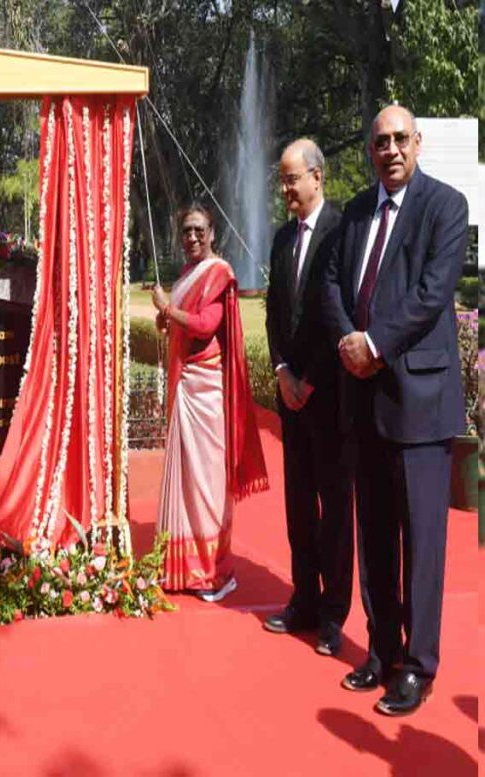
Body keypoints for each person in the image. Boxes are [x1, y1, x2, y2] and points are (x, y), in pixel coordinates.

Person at [323, 105, 468, 716]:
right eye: (379, 141)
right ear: (369, 149)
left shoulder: (445, 206)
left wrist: (375, 344)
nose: (390, 150)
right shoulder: (356, 212)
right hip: (365, 400)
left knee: (422, 544)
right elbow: (330, 281)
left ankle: (419, 666)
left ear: (418, 142)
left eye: (399, 139)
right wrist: (347, 343)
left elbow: (433, 293)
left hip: (421, 404)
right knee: (375, 535)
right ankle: (382, 651)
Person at [151, 203, 267, 603]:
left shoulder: (219, 272)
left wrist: (169, 309)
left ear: (213, 233)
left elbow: (204, 325)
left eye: (200, 230)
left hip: (208, 392)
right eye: (187, 231)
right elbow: (183, 324)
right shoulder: (187, 274)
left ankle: (218, 571)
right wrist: (166, 318)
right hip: (187, 386)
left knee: (208, 483)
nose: (193, 238)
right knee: (186, 481)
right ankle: (184, 567)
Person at [263, 139, 353, 656]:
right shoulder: (280, 239)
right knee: (299, 504)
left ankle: (335, 616)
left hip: (330, 395)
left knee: (335, 509)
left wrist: (311, 378)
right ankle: (305, 599)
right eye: (282, 180)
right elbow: (276, 312)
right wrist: (280, 370)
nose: (285, 188)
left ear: (317, 177)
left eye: (292, 178)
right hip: (291, 396)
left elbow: (336, 314)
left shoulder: (342, 231)